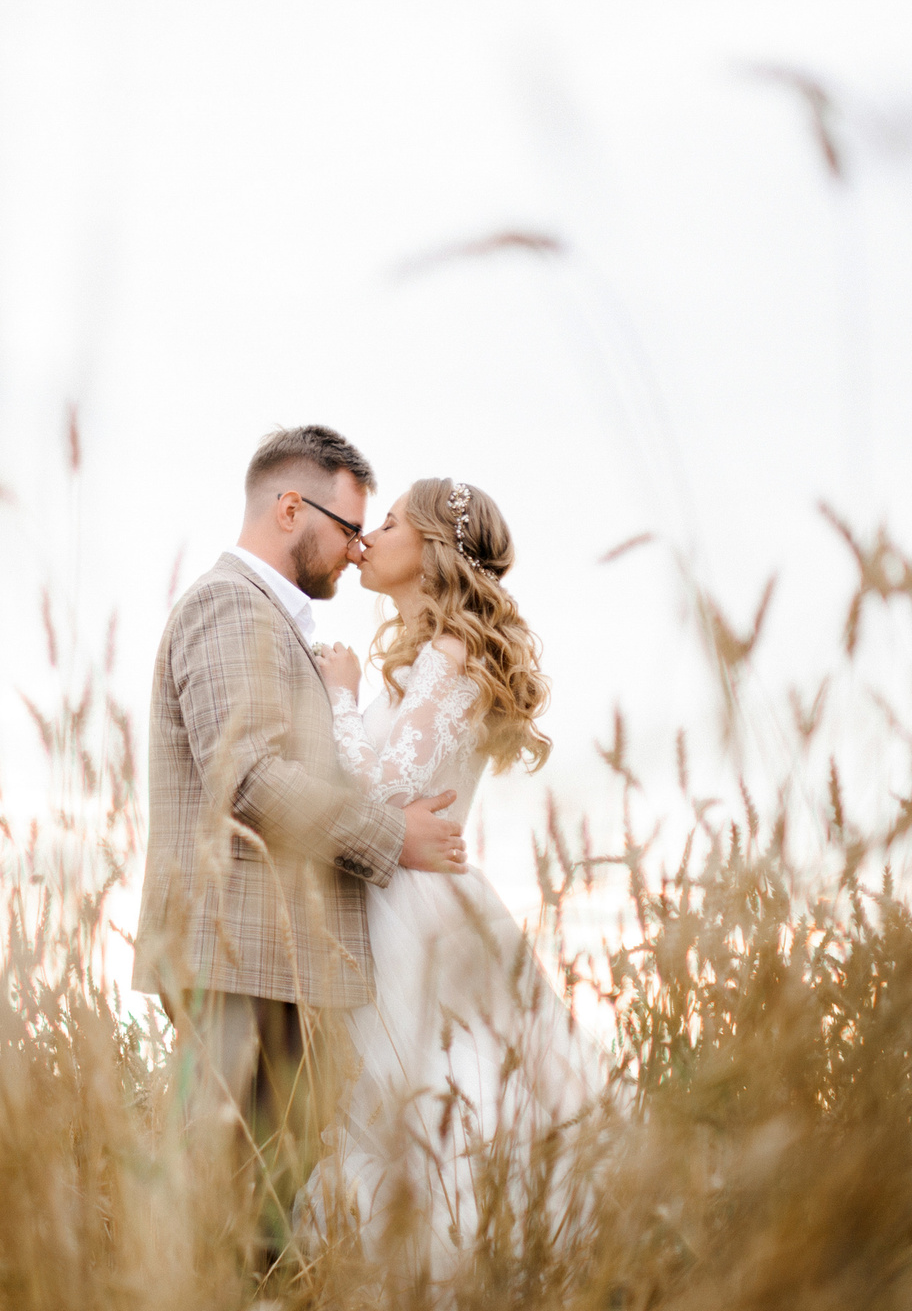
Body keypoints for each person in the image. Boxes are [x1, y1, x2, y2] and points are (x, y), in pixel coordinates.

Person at [134, 426, 470, 1281]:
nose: (358, 547)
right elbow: (244, 777)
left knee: (261, 1227)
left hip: (278, 966)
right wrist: (396, 838)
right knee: (225, 1219)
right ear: (291, 508)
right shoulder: (228, 607)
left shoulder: (278, 626)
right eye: (350, 525)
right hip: (241, 962)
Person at [296, 477, 594, 1294]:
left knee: (430, 1100)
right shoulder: (423, 660)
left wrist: (341, 697)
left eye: (387, 522)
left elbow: (385, 793)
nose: (368, 534)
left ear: (429, 550)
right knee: (395, 1103)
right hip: (393, 892)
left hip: (412, 909)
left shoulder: (452, 656)